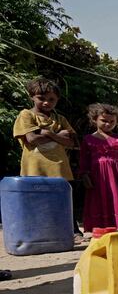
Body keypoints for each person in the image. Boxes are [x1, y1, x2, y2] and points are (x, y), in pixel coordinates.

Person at [12, 77, 82, 241]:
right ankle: (40, 235)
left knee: (64, 202)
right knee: (37, 203)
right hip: (34, 169)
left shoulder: (60, 119)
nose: (46, 103)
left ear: (57, 100)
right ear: (32, 97)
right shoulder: (26, 115)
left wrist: (47, 133)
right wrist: (57, 136)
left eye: (51, 99)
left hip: (60, 169)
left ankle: (73, 232)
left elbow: (71, 142)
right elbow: (31, 139)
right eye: (41, 98)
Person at [79, 103, 118, 232]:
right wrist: (85, 175)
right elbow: (84, 161)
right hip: (97, 178)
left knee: (117, 198)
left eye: (112, 121)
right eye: (104, 121)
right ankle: (100, 229)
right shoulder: (88, 140)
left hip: (117, 177)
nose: (108, 124)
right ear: (94, 119)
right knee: (98, 200)